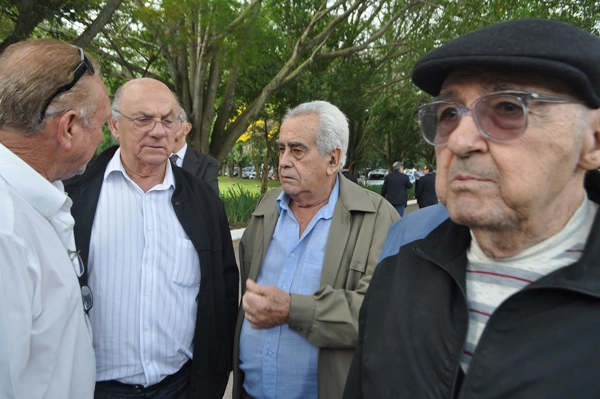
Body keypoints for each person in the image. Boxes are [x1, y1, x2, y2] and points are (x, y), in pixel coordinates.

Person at [344, 18, 600, 399]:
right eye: (449, 113)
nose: (460, 140)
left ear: (593, 141)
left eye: (508, 108)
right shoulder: (398, 272)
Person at [64, 77, 239, 399]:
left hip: (181, 387)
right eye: (144, 119)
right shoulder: (74, 196)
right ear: (115, 126)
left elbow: (223, 292)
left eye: (168, 120)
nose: (158, 131)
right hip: (94, 389)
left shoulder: (203, 202)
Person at [232, 101, 399, 399]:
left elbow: (381, 315)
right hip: (251, 391)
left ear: (333, 160)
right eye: (282, 149)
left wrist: (292, 310)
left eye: (297, 151)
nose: (283, 161)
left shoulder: (377, 217)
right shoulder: (267, 207)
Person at [0, 39, 111, 398]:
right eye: (101, 125)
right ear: (69, 128)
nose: (104, 137)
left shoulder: (32, 203)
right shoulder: (7, 231)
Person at [171, 106, 220, 194]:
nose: (169, 124)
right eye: (165, 120)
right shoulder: (153, 160)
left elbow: (212, 201)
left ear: (187, 128)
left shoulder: (207, 164)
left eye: (175, 119)